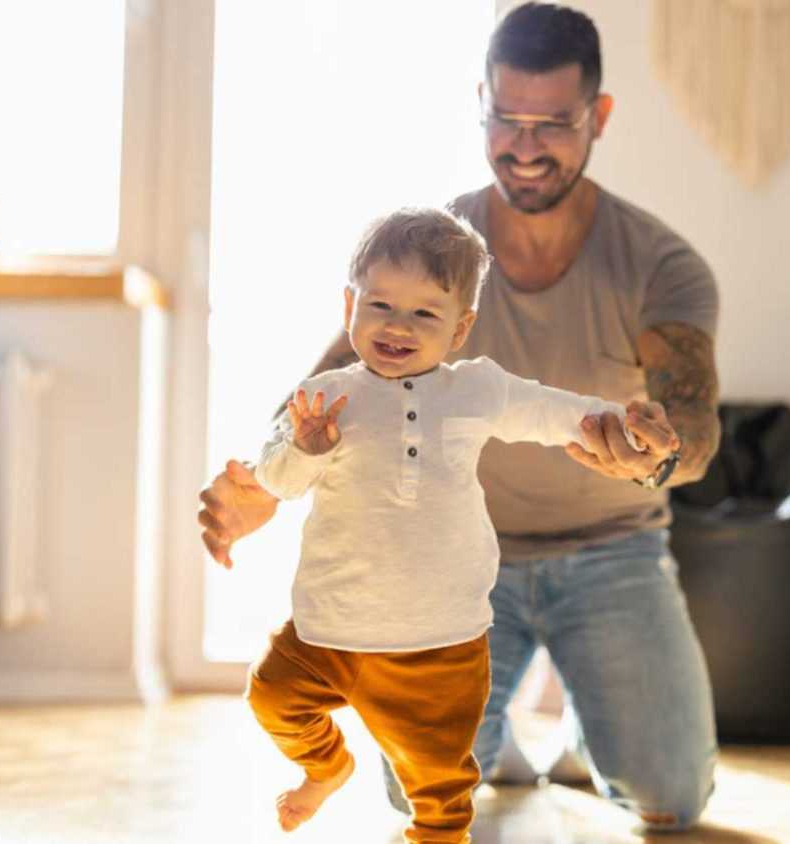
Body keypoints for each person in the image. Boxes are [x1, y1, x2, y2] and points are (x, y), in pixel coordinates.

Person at [201, 2, 721, 832]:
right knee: (417, 793)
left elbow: (691, 424)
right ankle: (500, 739)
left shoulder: (659, 264)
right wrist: (266, 480)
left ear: (600, 116)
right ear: (479, 102)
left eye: (552, 123)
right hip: (447, 579)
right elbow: (324, 390)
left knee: (669, 799)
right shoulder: (433, 253)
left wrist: (653, 453)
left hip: (613, 552)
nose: (524, 146)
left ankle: (593, 722)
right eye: (505, 119)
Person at [242, 207, 665, 842]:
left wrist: (625, 425)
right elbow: (277, 481)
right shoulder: (327, 396)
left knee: (440, 791)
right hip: (328, 628)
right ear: (348, 304)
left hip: (439, 640)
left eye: (424, 314)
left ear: (461, 327)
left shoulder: (475, 391)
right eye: (380, 305)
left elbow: (557, 413)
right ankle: (326, 768)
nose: (396, 327)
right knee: (271, 698)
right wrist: (306, 445)